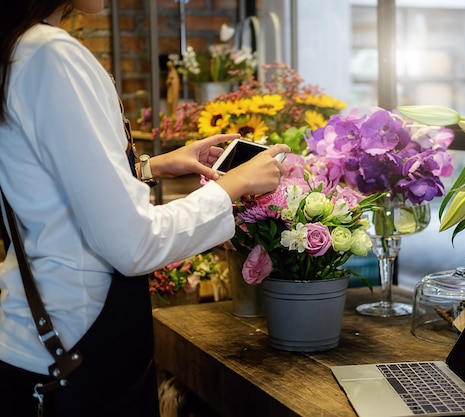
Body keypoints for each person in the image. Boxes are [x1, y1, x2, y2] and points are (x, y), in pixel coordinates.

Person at [0, 1, 289, 416]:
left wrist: (151, 166)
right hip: (74, 347)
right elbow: (134, 244)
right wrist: (231, 188)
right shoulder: (51, 54)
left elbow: (43, 182)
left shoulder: (18, 47)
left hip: (37, 341)